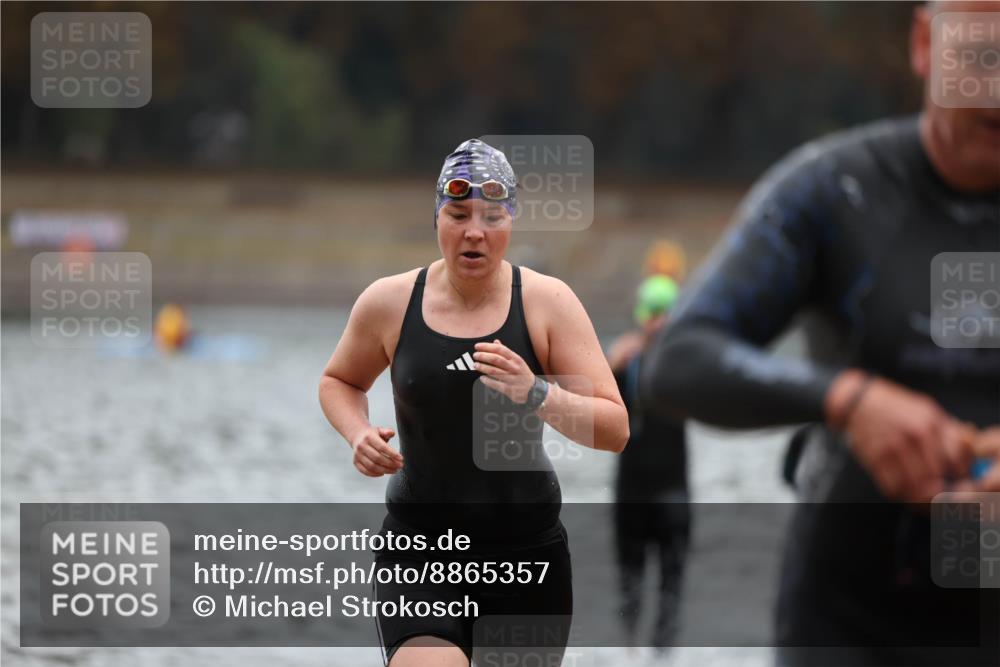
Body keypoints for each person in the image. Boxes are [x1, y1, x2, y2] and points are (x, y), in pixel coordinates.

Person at [641, 2, 1000, 665]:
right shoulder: (835, 189)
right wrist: (849, 398)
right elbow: (678, 358)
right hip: (850, 625)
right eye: (984, 56)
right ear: (926, 43)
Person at [319, 138, 629, 667]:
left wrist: (537, 393)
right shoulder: (389, 302)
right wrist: (358, 434)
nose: (474, 233)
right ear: (436, 217)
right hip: (421, 555)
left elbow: (614, 429)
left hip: (525, 558)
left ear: (511, 222)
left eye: (492, 217)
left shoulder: (547, 302)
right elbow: (339, 380)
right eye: (457, 214)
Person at [607, 274, 690, 654]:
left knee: (672, 583)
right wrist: (610, 363)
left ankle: (664, 654)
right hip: (631, 491)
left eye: (666, 315)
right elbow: (585, 398)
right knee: (630, 579)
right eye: (652, 314)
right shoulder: (626, 362)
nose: (658, 323)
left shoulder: (683, 365)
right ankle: (628, 650)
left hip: (674, 491)